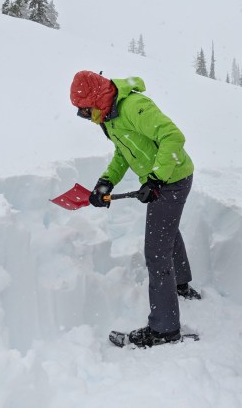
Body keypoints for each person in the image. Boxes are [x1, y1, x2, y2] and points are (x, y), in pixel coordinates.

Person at [69, 70, 200, 348]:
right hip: (164, 178)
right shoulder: (111, 118)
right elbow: (124, 152)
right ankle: (180, 284)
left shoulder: (133, 106)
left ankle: (164, 328)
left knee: (156, 251)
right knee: (166, 230)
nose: (85, 117)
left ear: (96, 99)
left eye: (85, 110)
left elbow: (173, 136)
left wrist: (156, 178)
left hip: (172, 178)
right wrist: (106, 182)